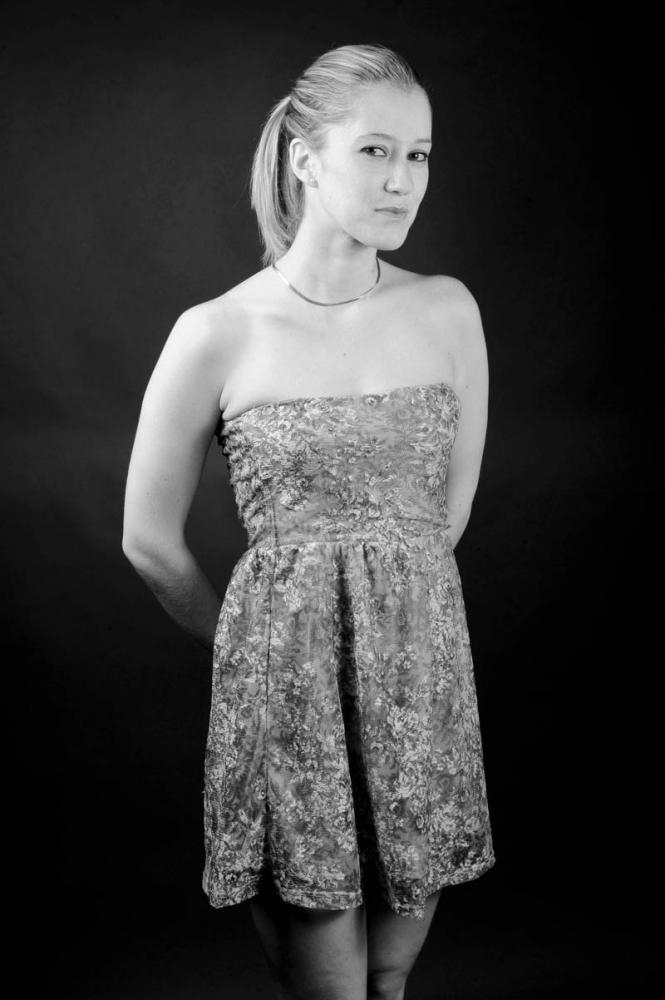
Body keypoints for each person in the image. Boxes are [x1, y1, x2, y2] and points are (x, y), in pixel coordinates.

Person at [122, 41, 495, 1000]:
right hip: (285, 704)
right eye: (375, 151)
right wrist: (260, 649)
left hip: (415, 691)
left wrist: (379, 639)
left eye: (418, 155)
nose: (402, 180)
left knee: (391, 977)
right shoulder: (216, 331)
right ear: (303, 158)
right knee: (327, 988)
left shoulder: (447, 311)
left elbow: (441, 519)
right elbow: (148, 540)